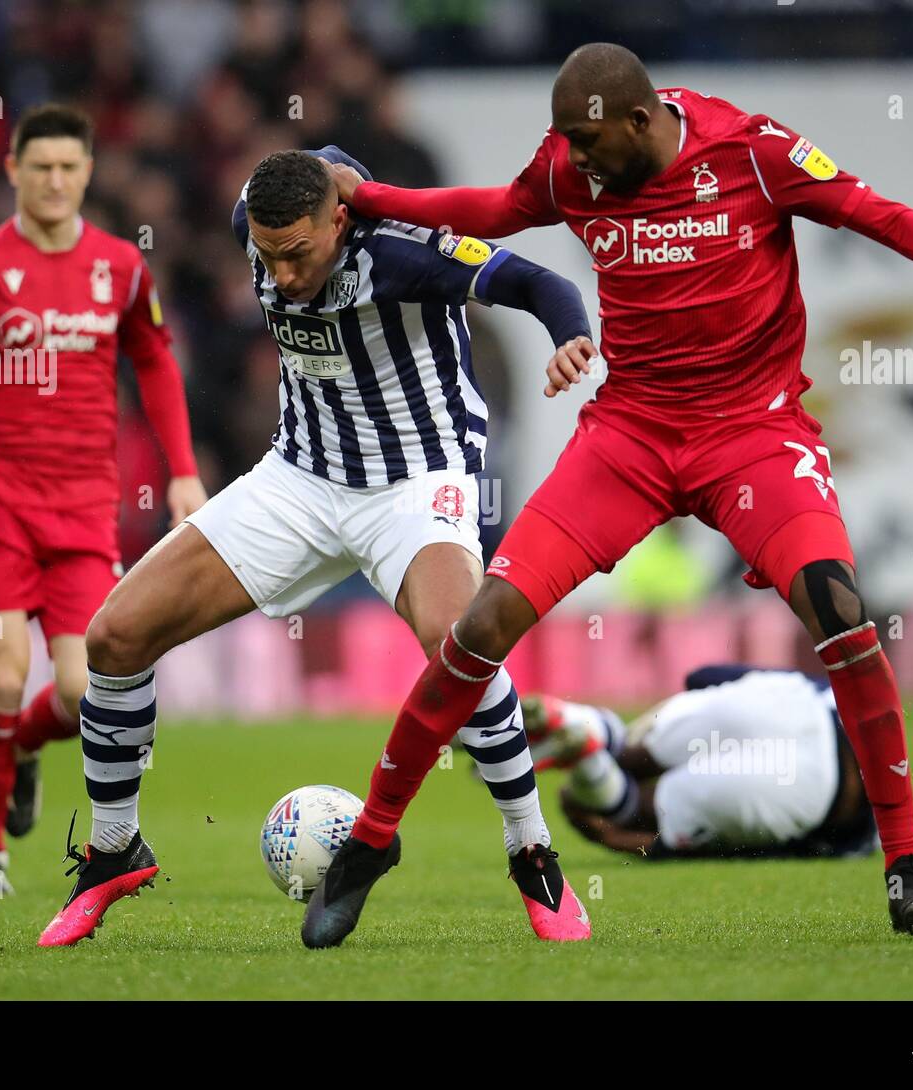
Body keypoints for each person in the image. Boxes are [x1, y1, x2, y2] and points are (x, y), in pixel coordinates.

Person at [307, 42, 913, 945]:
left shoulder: (752, 153)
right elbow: (492, 208)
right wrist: (361, 196)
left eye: (588, 140)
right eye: (565, 140)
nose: (573, 160)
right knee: (481, 628)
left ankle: (906, 865)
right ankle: (371, 842)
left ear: (641, 123)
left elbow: (870, 212)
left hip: (752, 434)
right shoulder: (575, 165)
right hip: (633, 436)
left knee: (844, 618)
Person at [37, 147, 597, 948]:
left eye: (298, 254)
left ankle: (531, 849)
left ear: (341, 218)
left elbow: (543, 285)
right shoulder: (257, 221)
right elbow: (304, 173)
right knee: (114, 636)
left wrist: (570, 339)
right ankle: (114, 848)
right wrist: (317, 173)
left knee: (457, 640)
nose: (283, 274)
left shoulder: (404, 252)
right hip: (300, 478)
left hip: (415, 482)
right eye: (268, 257)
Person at [0, 104, 205, 898]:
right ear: (12, 170)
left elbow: (157, 364)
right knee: (1, 682)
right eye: (38, 166)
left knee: (82, 694)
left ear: (87, 172)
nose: (53, 181)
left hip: (82, 511)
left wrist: (181, 469)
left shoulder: (120, 267)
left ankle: (23, 750)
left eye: (68, 167)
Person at [522, 666, 878, 862]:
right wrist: (637, 843)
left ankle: (576, 722)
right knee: (633, 811)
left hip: (796, 702)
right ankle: (590, 761)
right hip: (817, 791)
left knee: (634, 750)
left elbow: (704, 675)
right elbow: (762, 850)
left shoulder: (832, 691)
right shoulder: (865, 840)